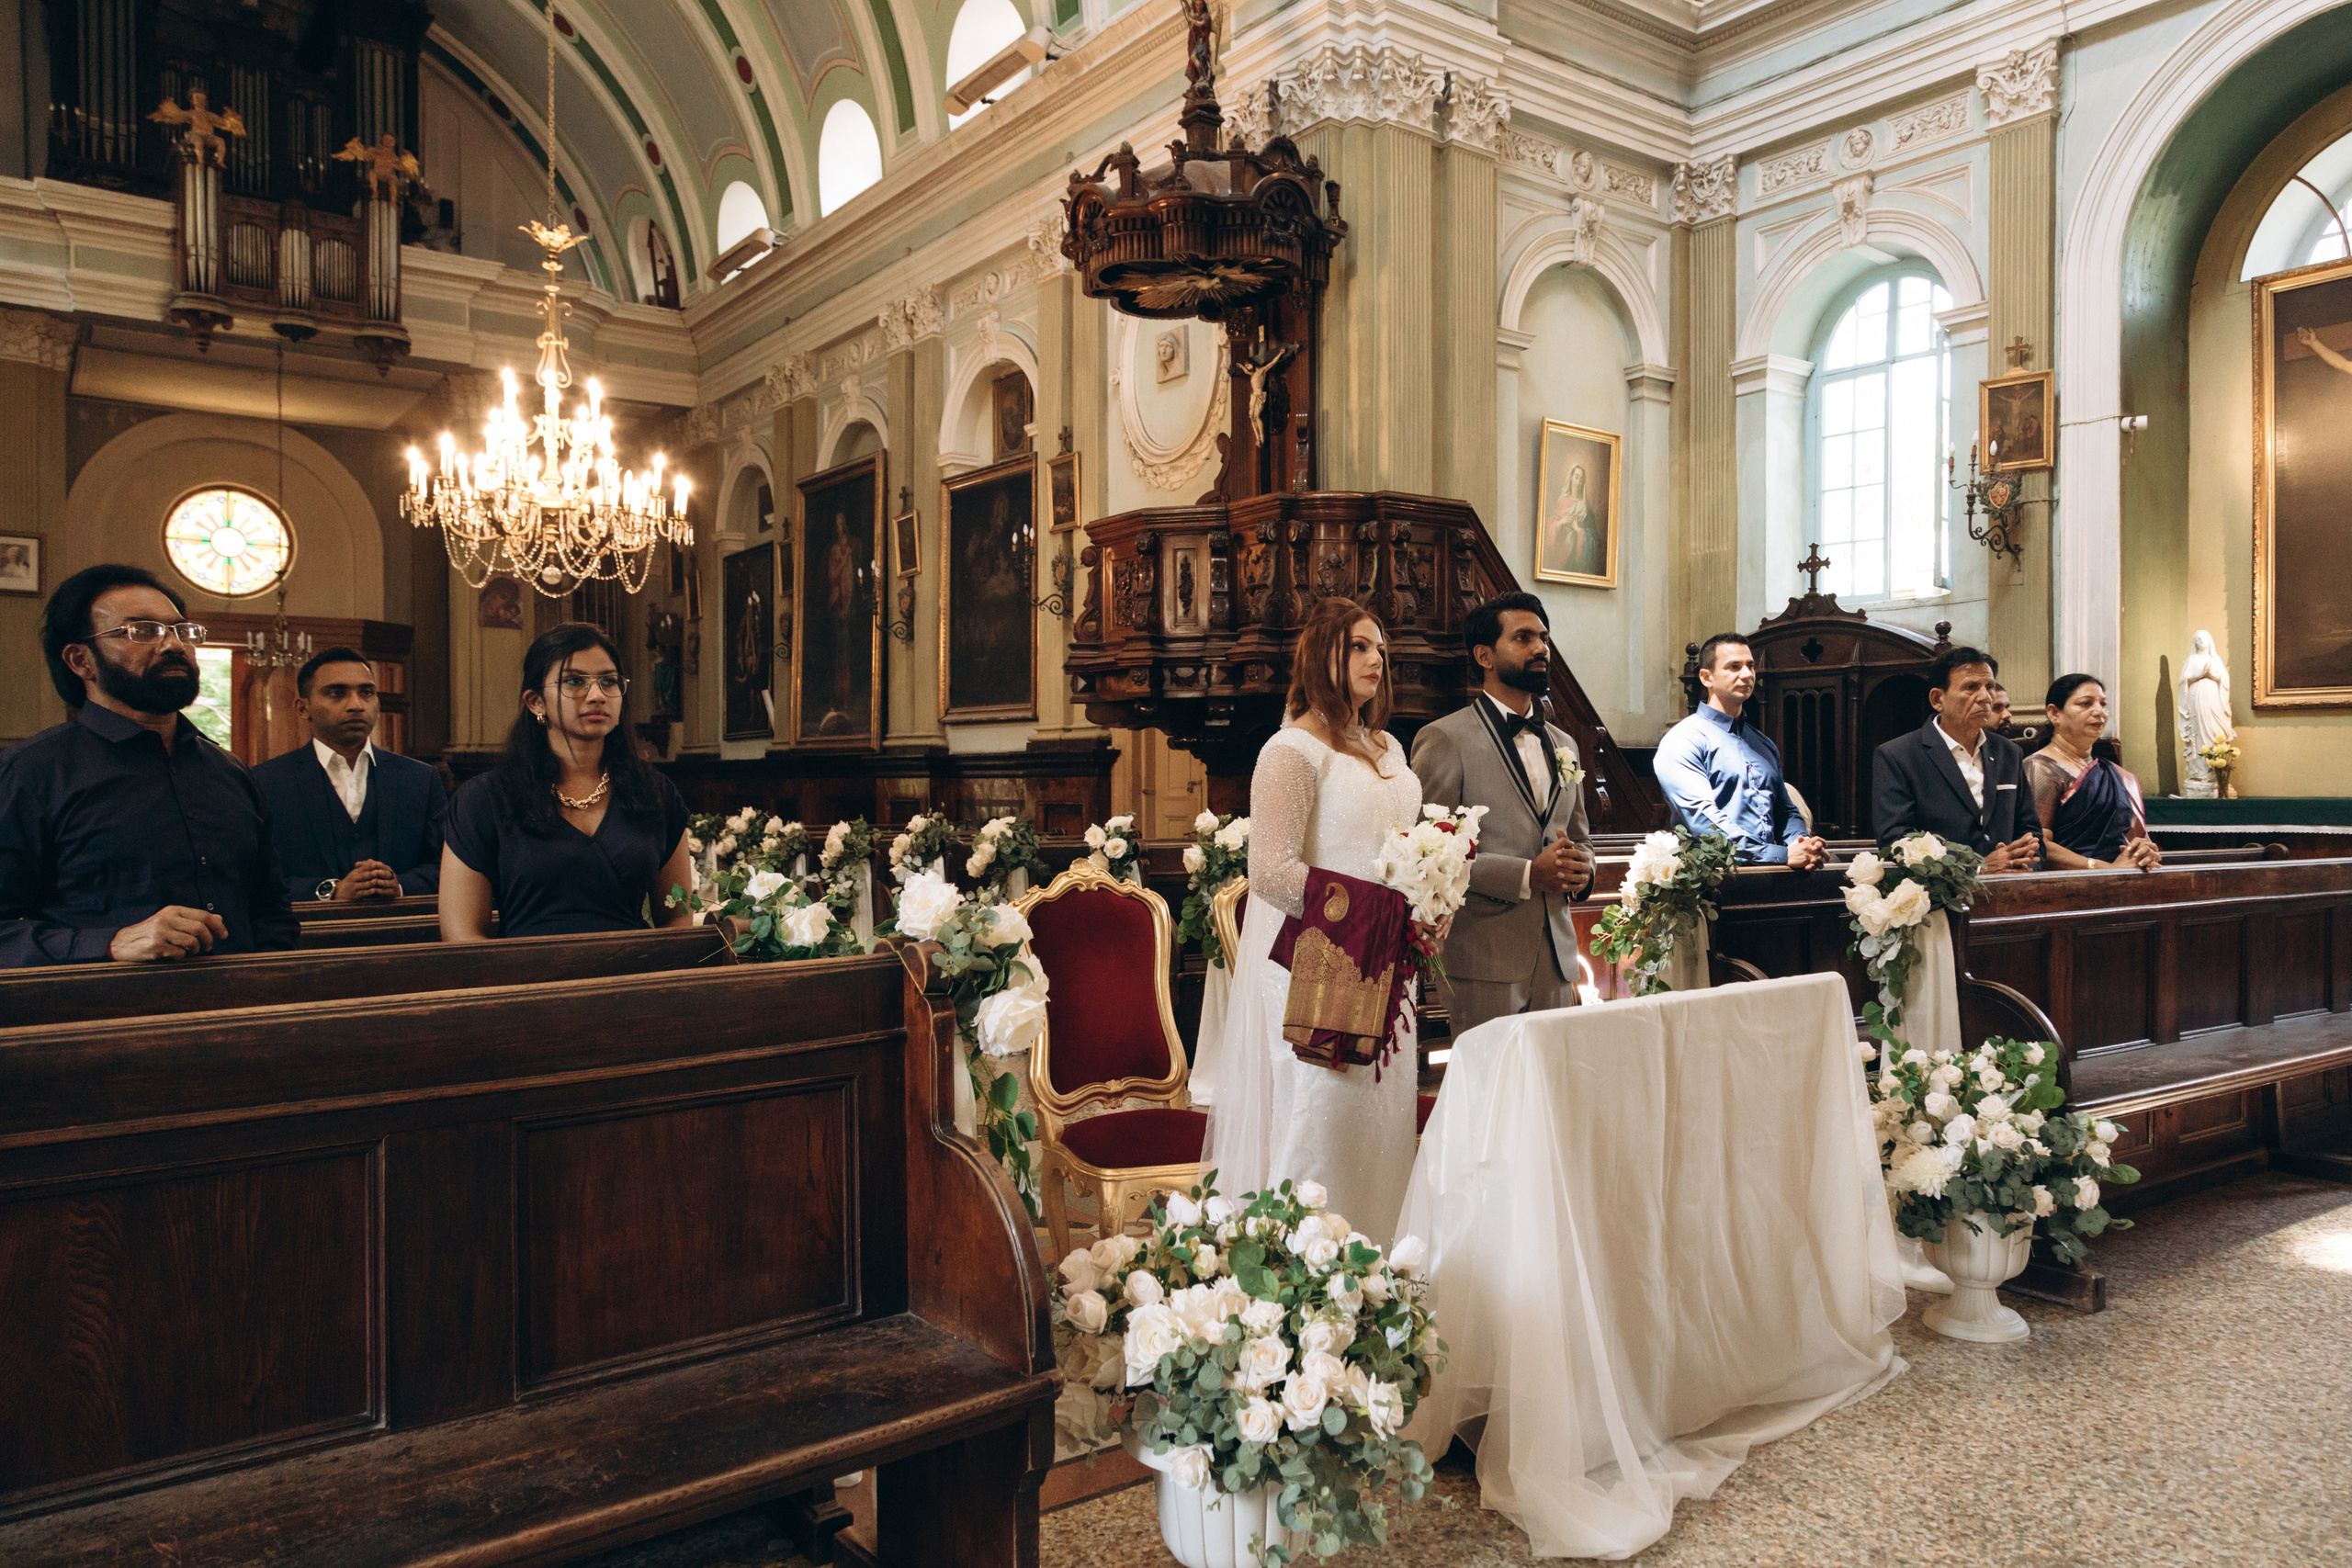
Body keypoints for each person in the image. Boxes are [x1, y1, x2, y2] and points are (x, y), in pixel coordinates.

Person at [1203, 596, 1430, 1243]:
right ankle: (1304, 1281)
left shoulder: (1388, 745)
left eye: (1381, 649)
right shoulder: (1289, 750)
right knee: (1322, 1120)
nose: (1375, 660)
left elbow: (1407, 854)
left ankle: (1381, 1277)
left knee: (1382, 1121)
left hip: (1389, 957)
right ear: (1322, 654)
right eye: (1359, 646)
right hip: (1320, 956)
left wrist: (1423, 910)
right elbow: (1272, 870)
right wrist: (1374, 913)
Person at [0, 563, 297, 965]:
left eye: (181, 630)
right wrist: (110, 943)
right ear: (80, 661)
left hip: (241, 1010)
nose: (174, 645)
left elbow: (270, 910)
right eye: (142, 631)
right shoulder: (29, 775)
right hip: (100, 1017)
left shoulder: (230, 772)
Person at [1409, 592, 1596, 1038]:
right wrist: (1528, 874)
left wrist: (1580, 869)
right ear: (1484, 655)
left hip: (1557, 958)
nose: (1541, 649)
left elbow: (1581, 837)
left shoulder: (1564, 743)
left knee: (1546, 1093)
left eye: (1544, 638)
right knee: (1489, 1094)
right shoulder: (1444, 739)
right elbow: (1429, 857)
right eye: (1524, 638)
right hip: (1485, 957)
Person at [439, 623, 695, 941]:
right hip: (525, 980)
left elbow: (677, 917)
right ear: (536, 702)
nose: (597, 695)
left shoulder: (655, 792)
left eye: (609, 681)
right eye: (575, 681)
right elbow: (461, 934)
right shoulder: (484, 798)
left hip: (634, 976)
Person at [253, 646, 447, 904]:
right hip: (304, 935)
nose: (356, 705)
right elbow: (253, 875)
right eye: (337, 693)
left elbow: (448, 864)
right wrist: (329, 890)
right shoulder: (266, 782)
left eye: (366, 693)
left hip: (402, 930)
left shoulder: (420, 778)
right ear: (303, 708)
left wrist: (399, 886)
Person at [1652, 633, 1827, 869]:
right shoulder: (1684, 740)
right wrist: (1778, 854)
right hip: (1713, 879)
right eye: (1734, 667)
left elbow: (1785, 810)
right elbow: (1703, 819)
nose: (1746, 674)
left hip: (1770, 871)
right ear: (1706, 677)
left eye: (1750, 666)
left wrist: (1802, 844)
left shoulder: (1763, 744)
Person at [1869, 646, 2041, 871]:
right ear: (1938, 699)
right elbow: (1897, 843)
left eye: (1989, 687)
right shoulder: (1898, 755)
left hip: (2011, 889)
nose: (1985, 697)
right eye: (1971, 687)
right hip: (1940, 897)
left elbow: (2031, 831)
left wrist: (2025, 867)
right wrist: (1977, 868)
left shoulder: (2009, 752)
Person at [2027, 674, 2162, 871]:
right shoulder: (2040, 768)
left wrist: (2143, 853)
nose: (2099, 711)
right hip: (2068, 886)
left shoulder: (2118, 775)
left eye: (2103, 704)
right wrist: (2103, 868)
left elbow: (2137, 840)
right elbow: (2037, 845)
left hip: (2122, 880)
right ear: (2054, 713)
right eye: (2085, 703)